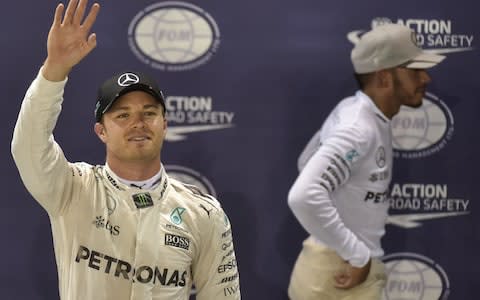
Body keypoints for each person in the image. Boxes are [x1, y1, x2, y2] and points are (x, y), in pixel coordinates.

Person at [11, 0, 240, 299]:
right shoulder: (73, 189)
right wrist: (55, 70)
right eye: (122, 115)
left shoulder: (204, 214)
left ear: (165, 124)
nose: (138, 123)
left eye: (149, 113)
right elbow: (28, 145)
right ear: (101, 131)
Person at [287, 23, 445, 300]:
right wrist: (357, 255)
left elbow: (306, 162)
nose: (426, 78)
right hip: (337, 277)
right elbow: (303, 195)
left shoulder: (356, 111)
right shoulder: (359, 128)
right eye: (415, 70)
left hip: (333, 269)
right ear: (384, 77)